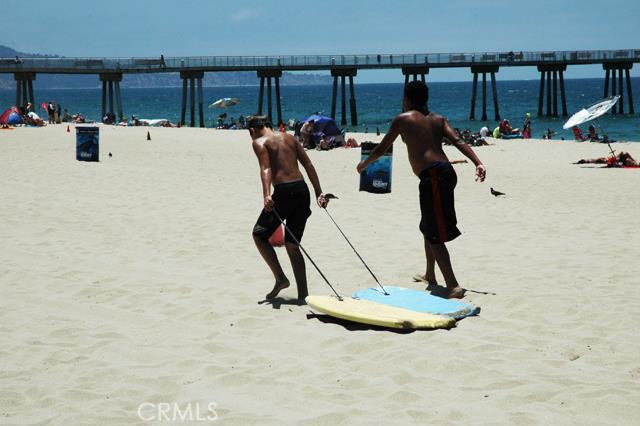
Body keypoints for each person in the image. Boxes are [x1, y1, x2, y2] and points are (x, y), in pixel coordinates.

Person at [356, 81, 486, 299]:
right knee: (427, 225)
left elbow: (383, 147)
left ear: (406, 99)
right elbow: (458, 140)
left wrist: (365, 164)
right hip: (443, 172)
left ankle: (453, 285)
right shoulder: (438, 119)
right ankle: (429, 274)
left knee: (434, 232)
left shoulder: (403, 119)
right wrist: (478, 162)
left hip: (433, 176)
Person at [249, 115, 330, 302]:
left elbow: (266, 168)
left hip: (284, 193)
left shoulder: (259, 142)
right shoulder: (290, 138)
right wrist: (319, 192)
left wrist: (266, 194)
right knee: (292, 244)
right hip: (302, 191)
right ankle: (303, 295)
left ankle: (281, 278)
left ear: (252, 131)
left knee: (259, 235)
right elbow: (308, 164)